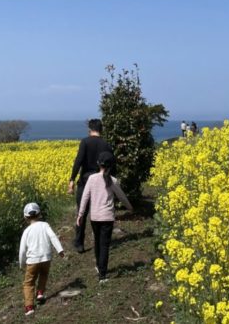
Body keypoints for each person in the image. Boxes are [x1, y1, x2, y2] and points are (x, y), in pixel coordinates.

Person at [77, 152, 133, 283]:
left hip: (94, 217)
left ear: (98, 164)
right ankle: (102, 274)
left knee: (97, 242)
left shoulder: (91, 178)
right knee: (105, 245)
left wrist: (80, 215)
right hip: (107, 218)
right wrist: (129, 207)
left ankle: (98, 266)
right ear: (111, 166)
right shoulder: (112, 180)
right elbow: (122, 196)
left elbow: (84, 197)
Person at [69, 118, 112, 253]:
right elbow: (112, 163)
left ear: (90, 129)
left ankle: (79, 243)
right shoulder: (106, 144)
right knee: (98, 211)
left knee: (82, 212)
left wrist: (72, 180)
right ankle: (98, 241)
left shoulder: (85, 142)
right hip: (101, 182)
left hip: (85, 181)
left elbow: (79, 161)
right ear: (101, 129)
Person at [18, 203, 65, 316]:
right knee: (44, 274)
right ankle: (40, 293)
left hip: (32, 261)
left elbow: (22, 250)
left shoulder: (27, 231)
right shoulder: (45, 225)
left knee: (29, 283)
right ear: (39, 214)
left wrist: (22, 263)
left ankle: (29, 307)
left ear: (25, 217)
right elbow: (53, 236)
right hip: (46, 258)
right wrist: (60, 250)